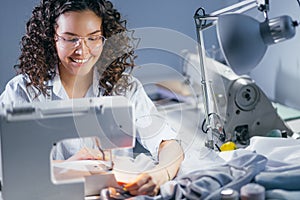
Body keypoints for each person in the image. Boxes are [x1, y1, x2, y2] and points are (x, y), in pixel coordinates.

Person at [0, 0, 184, 197]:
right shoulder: (23, 91)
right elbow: (6, 166)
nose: (83, 50)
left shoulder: (124, 88)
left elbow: (168, 143)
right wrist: (68, 167)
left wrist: (159, 175)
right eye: (71, 39)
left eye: (93, 38)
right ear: (51, 38)